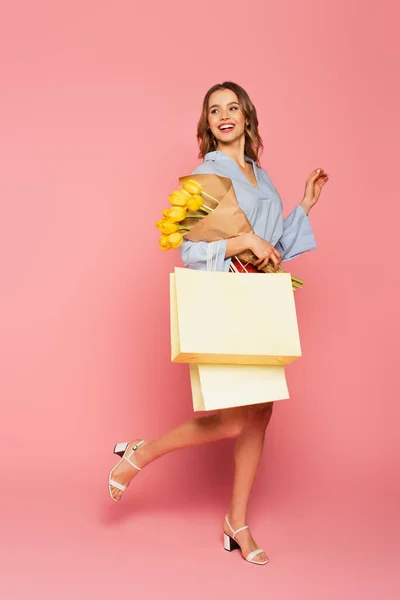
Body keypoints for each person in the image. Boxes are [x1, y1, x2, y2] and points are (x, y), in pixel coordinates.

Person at [108, 81, 329, 566]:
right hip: (229, 298)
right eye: (215, 110)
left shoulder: (261, 174)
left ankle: (237, 523)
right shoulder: (205, 174)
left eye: (233, 108)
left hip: (261, 298)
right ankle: (140, 454)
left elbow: (275, 247)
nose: (225, 116)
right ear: (207, 124)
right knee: (232, 420)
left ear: (247, 117)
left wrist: (305, 204)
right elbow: (191, 249)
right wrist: (243, 242)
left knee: (261, 415)